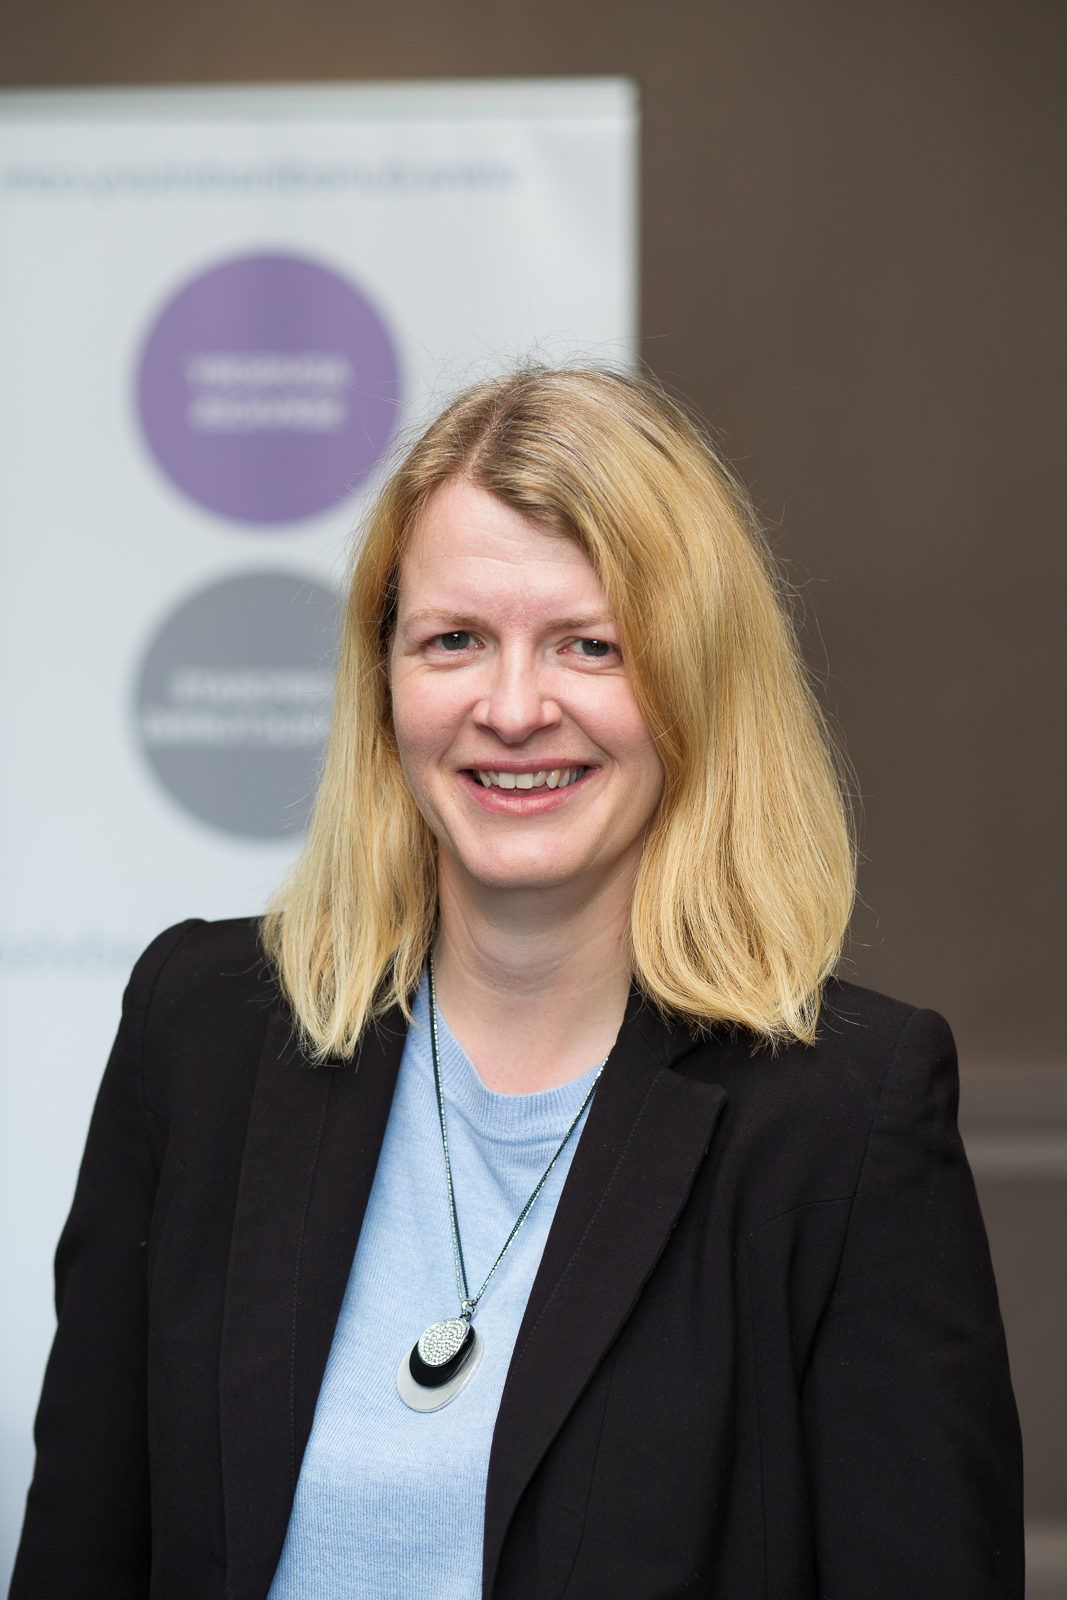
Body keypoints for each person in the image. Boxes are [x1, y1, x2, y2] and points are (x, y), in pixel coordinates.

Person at [10, 366, 1023, 1599]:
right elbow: (79, 1554)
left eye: (588, 646)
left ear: (695, 681)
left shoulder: (843, 1118)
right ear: (384, 680)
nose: (510, 707)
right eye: (454, 640)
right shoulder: (204, 1028)